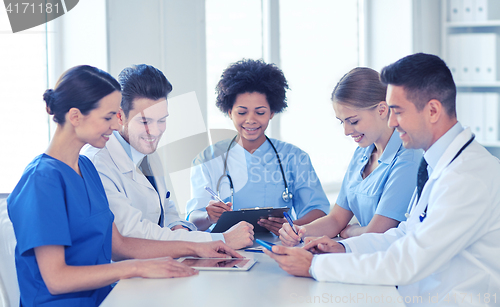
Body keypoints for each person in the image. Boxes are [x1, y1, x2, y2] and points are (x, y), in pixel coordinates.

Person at [264, 53, 500, 305]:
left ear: (432, 110)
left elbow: (409, 261)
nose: (392, 122)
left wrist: (316, 266)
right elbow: (405, 235)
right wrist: (344, 248)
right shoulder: (438, 164)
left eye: (397, 111)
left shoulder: (467, 177)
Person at [7, 65, 241, 306]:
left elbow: (119, 244)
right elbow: (56, 279)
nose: (116, 125)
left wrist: (198, 247)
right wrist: (138, 267)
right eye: (108, 117)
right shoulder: (41, 181)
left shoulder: (85, 168)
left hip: (106, 297)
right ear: (76, 116)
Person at [83, 64, 253, 249]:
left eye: (162, 120)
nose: (155, 131)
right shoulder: (97, 163)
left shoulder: (147, 152)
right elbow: (130, 232)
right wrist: (221, 240)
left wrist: (177, 227)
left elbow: (164, 209)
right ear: (120, 117)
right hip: (121, 270)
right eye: (145, 121)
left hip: (157, 263)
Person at [279, 67, 421, 246]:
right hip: (361, 257)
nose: (346, 131)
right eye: (342, 122)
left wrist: (351, 231)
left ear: (382, 110)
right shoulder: (363, 152)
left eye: (353, 121)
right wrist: (299, 231)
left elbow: (377, 233)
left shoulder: (408, 159)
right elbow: (336, 220)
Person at [186, 59, 329, 235]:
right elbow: (193, 220)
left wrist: (291, 227)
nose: (250, 120)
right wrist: (209, 217)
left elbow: (318, 211)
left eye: (260, 112)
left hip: (281, 248)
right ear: (229, 112)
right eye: (242, 112)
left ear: (272, 112)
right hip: (224, 252)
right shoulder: (207, 159)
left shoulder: (295, 157)